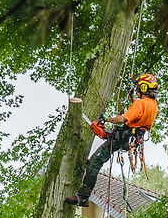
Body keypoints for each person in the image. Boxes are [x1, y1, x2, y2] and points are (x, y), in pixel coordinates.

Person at [65, 73, 159, 207]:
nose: (137, 89)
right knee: (98, 156)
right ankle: (84, 190)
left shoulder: (140, 103)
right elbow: (139, 113)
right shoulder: (153, 105)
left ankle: (82, 196)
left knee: (95, 162)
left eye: (139, 87)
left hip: (122, 138)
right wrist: (131, 97)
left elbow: (122, 119)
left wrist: (106, 119)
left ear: (143, 87)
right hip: (131, 140)